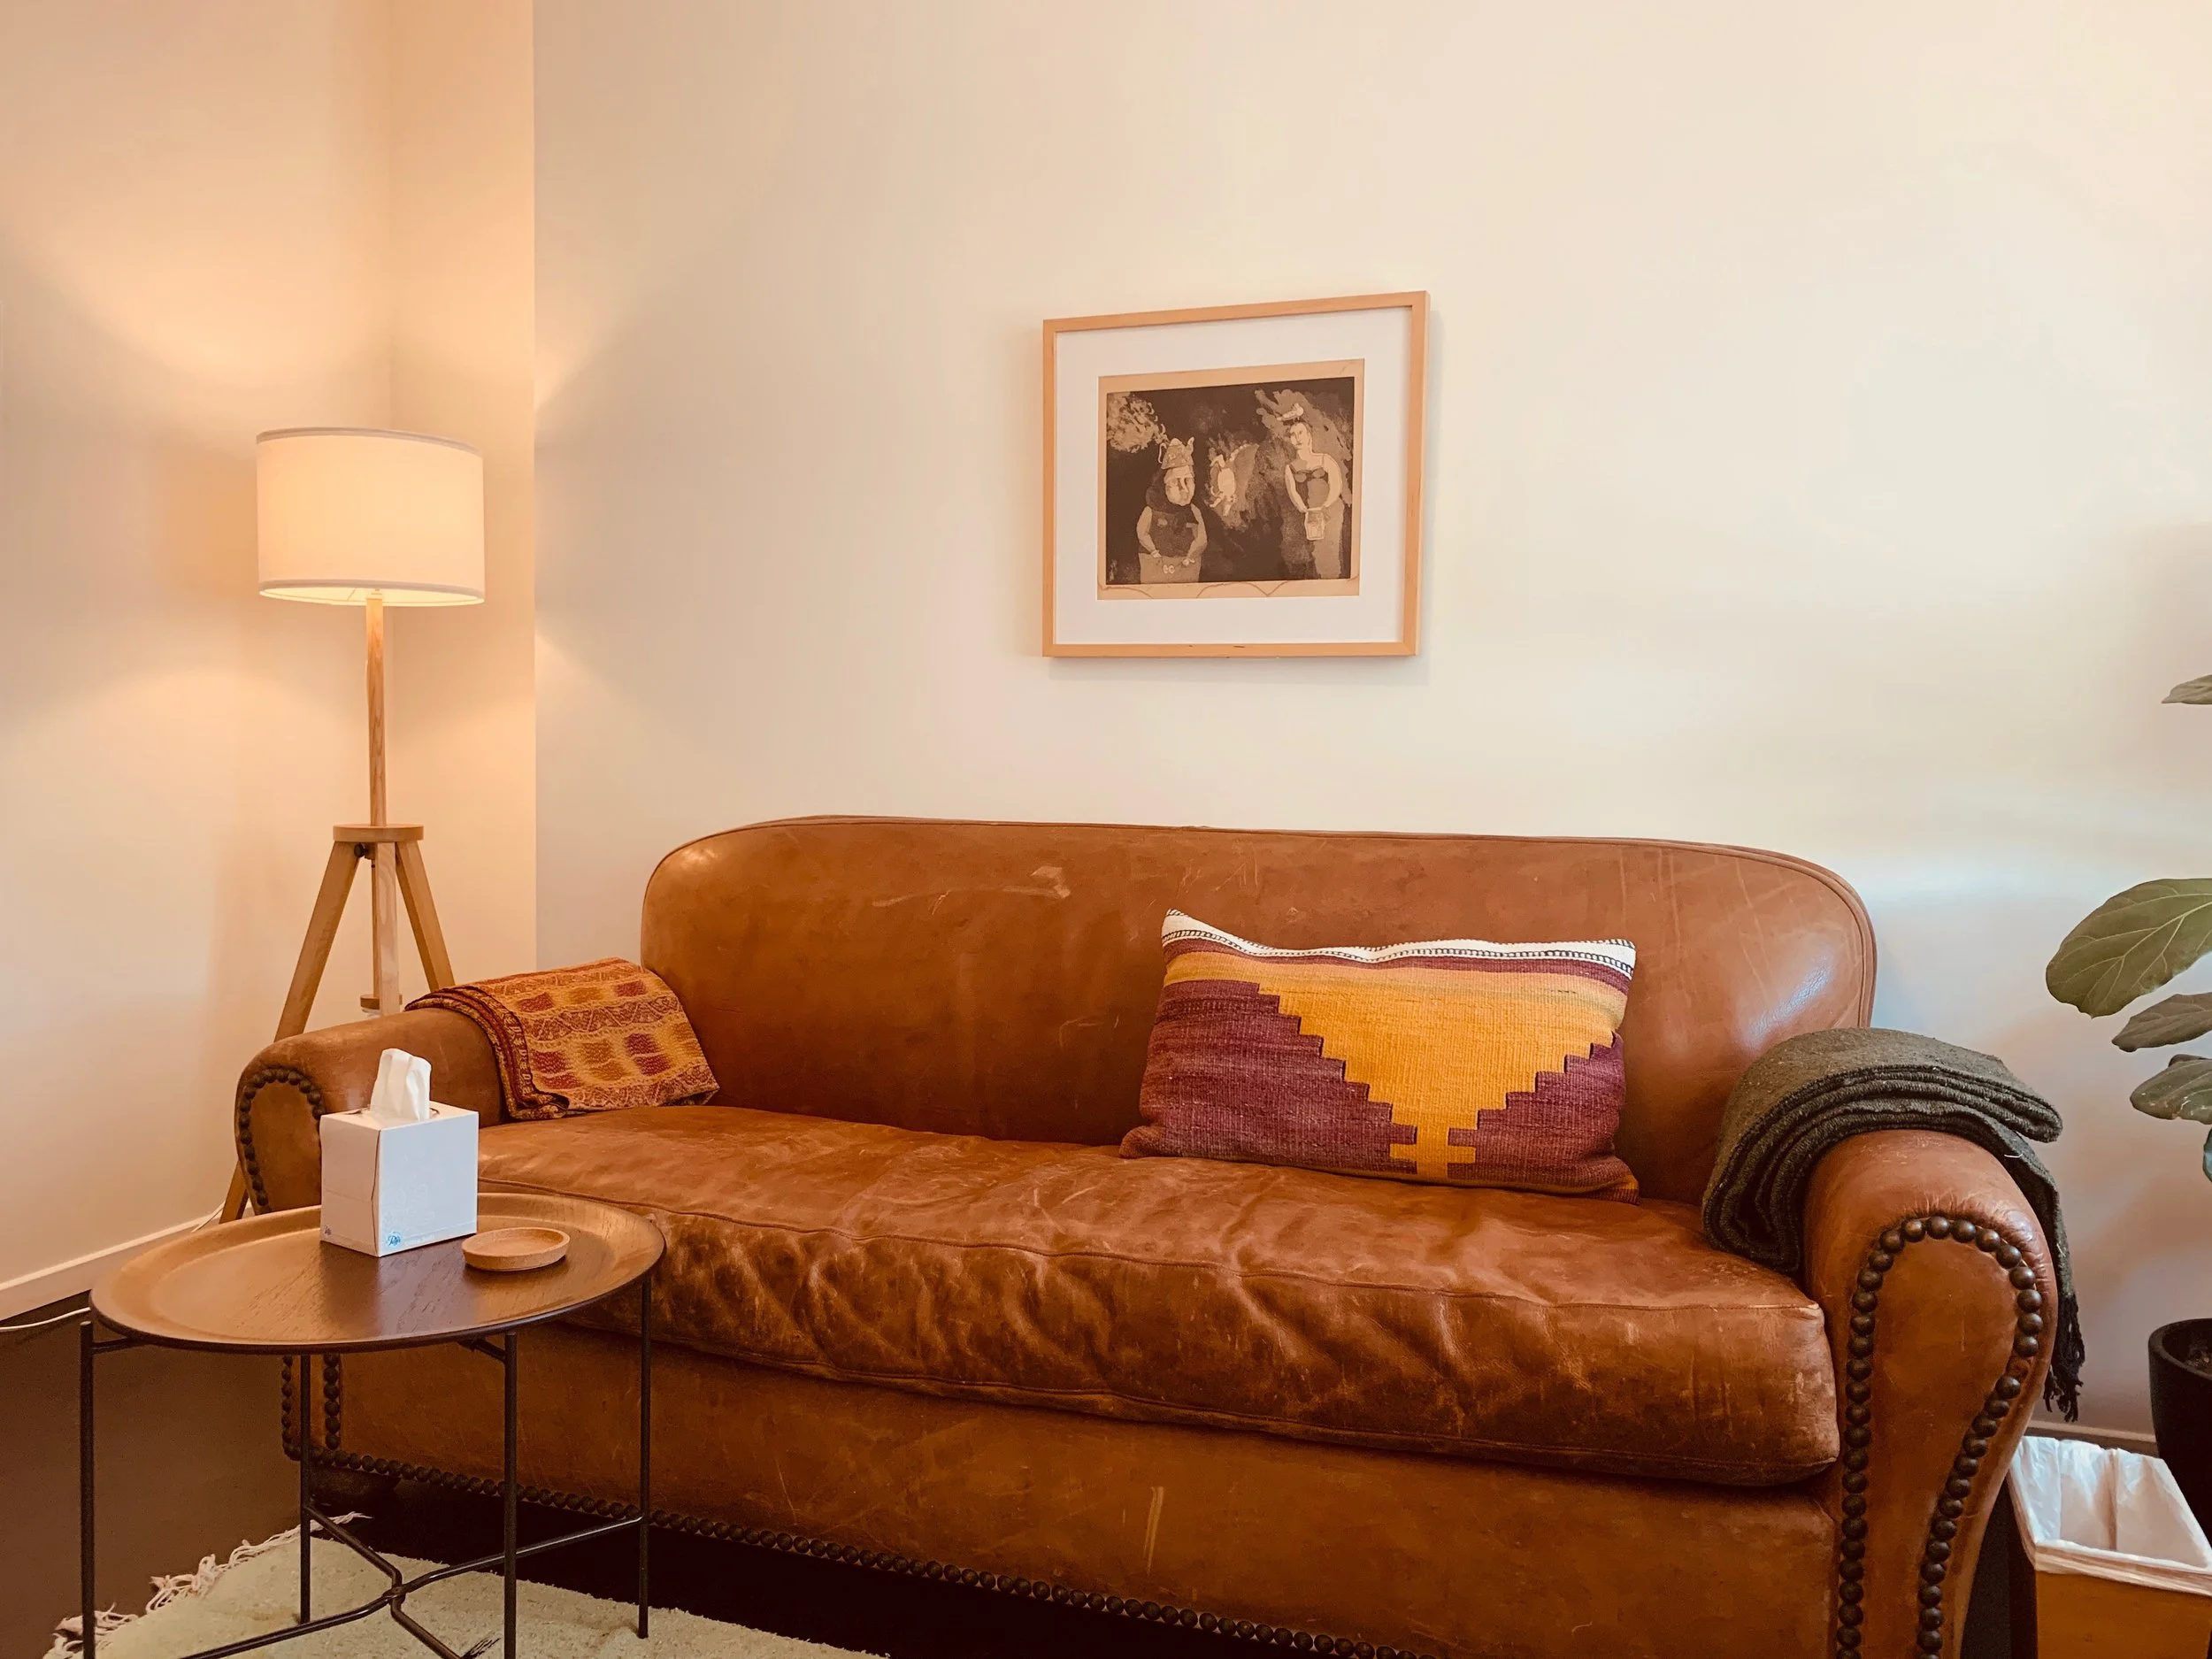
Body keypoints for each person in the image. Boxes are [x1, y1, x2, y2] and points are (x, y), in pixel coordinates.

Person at [1277, 401, 1346, 580]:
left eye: (1301, 433)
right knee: (1308, 559)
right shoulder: (1290, 467)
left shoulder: (1325, 460)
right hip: (1305, 517)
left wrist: (1325, 507)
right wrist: (1305, 510)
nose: (1297, 438)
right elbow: (1293, 492)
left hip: (1329, 513)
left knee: (1328, 557)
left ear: (1309, 435)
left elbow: (1336, 485)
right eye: (1293, 435)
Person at [1136, 436, 1207, 585]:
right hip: (1154, 568)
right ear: (1164, 485)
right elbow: (1142, 533)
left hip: (1186, 570)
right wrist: (1153, 552)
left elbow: (1201, 539)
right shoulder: (1151, 511)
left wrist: (1190, 557)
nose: (1184, 489)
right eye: (1175, 482)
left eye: (1188, 480)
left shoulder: (1194, 512)